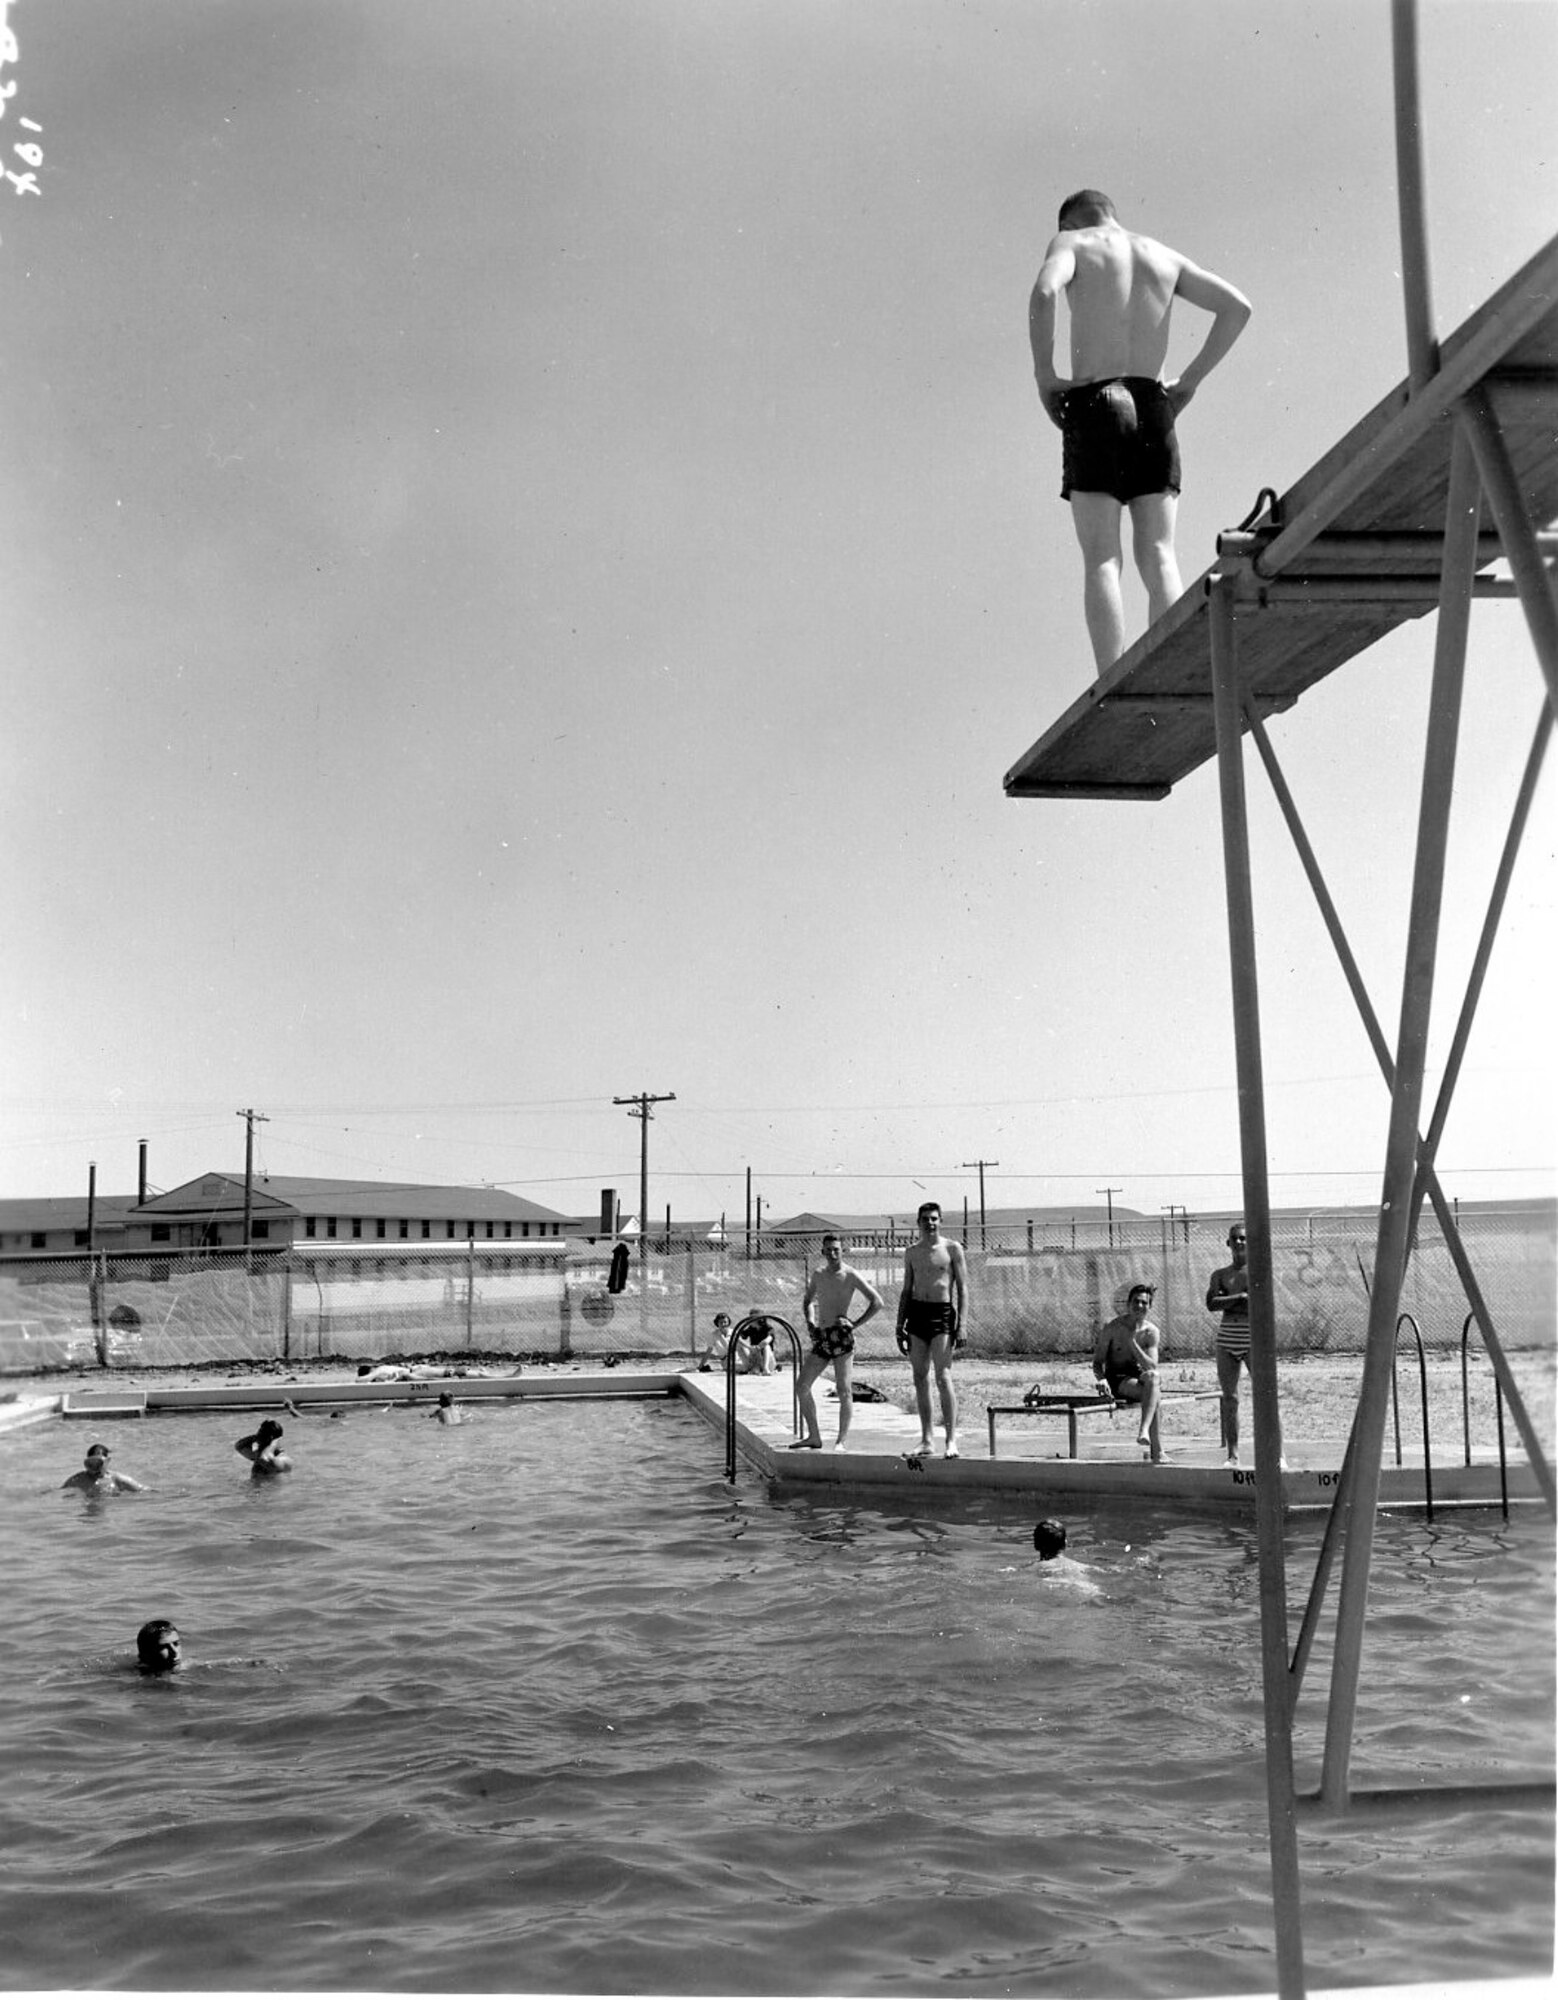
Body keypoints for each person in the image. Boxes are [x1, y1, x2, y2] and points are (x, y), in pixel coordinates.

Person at [1029, 188, 1251, 673]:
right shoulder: (1160, 253)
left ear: (1070, 223)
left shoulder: (1071, 244)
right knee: (1158, 552)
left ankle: (1112, 676)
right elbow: (1237, 308)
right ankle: (1169, 667)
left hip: (1097, 404)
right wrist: (1189, 381)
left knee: (1103, 559)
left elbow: (1046, 292)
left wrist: (1045, 377)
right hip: (1154, 404)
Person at [793, 1232, 884, 1451]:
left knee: (844, 1389)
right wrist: (811, 1322)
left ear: (842, 1251)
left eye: (837, 1250)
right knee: (802, 1386)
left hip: (841, 1337)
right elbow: (807, 1301)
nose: (833, 1254)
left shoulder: (850, 1274)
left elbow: (877, 1302)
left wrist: (855, 1323)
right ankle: (814, 1436)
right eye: (829, 1250)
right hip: (823, 1337)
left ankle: (841, 1440)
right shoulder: (818, 1274)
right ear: (823, 1252)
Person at [896, 1202, 969, 1458]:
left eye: (934, 1218)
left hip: (942, 1315)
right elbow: (906, 1289)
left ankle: (951, 1440)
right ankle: (927, 1439)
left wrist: (962, 1325)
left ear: (941, 1221)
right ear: (918, 1222)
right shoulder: (912, 1252)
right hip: (917, 1314)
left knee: (943, 1376)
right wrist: (899, 1324)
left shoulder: (952, 1248)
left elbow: (962, 1288)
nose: (930, 1223)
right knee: (919, 1376)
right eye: (925, 1219)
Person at [1091, 1282, 1164, 1462]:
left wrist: (1132, 1342)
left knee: (1154, 1379)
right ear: (1128, 1304)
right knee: (1155, 1396)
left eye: (1144, 1303)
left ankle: (1144, 1430)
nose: (1140, 1306)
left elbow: (1152, 1367)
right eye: (1136, 1302)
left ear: (1150, 1306)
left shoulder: (1151, 1332)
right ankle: (1158, 1451)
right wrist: (1101, 1380)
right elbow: (1097, 1362)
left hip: (1140, 1377)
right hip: (1118, 1379)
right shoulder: (1113, 1328)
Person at [1206, 1222, 1251, 1467]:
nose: (1239, 1242)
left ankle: (1278, 1454)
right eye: (1235, 1238)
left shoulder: (1257, 1270)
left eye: (1243, 1238)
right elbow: (1212, 1303)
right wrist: (1240, 1297)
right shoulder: (1220, 1274)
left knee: (1266, 1396)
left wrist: (1228, 1300)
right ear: (1228, 1243)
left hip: (1252, 1335)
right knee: (1230, 1398)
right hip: (1227, 1337)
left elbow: (1254, 1303)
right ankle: (1233, 1454)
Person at [61, 1442, 145, 1494]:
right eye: (91, 1464)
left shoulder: (117, 1479)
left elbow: (145, 1490)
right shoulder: (78, 1480)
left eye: (99, 1464)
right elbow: (59, 1492)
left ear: (107, 1462)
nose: (95, 1468)